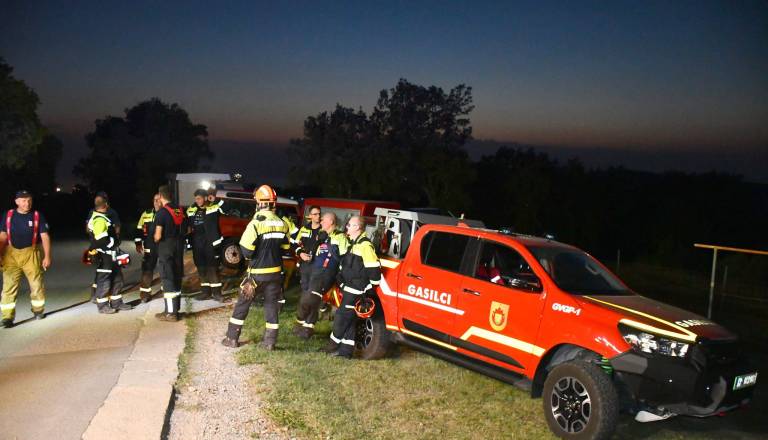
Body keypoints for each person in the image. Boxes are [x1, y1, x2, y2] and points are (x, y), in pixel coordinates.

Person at [222, 184, 290, 350]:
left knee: (242, 305)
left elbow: (246, 251)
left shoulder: (255, 224)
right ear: (273, 203)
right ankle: (270, 343)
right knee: (271, 307)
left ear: (259, 203)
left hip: (256, 276)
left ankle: (232, 338)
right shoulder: (283, 223)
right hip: (275, 275)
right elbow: (286, 248)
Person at [323, 215, 381, 359]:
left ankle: (332, 346)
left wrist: (368, 290)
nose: (347, 227)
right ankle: (345, 352)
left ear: (357, 227)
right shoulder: (354, 243)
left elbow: (374, 270)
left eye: (349, 225)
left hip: (356, 290)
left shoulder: (365, 246)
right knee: (349, 321)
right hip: (349, 287)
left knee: (341, 318)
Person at [0, 190, 52, 327]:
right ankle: (7, 318)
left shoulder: (37, 215)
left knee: (36, 284)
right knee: (8, 286)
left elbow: (45, 236)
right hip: (10, 254)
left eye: (29, 200)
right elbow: (3, 236)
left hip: (31, 253)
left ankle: (38, 310)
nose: (27, 203)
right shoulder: (8, 215)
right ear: (16, 201)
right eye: (23, 200)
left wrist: (47, 256)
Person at [294, 212, 348, 339]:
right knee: (312, 298)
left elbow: (345, 257)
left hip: (325, 274)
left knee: (309, 299)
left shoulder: (340, 237)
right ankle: (307, 328)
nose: (321, 222)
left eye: (324, 220)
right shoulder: (322, 236)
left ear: (331, 222)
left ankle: (300, 322)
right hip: (315, 272)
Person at [87, 197, 132, 314]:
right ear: (105, 205)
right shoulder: (99, 220)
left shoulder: (100, 218)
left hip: (110, 255)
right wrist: (114, 242)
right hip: (105, 256)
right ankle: (102, 306)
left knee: (118, 279)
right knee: (104, 281)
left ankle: (117, 302)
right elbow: (101, 240)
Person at [186, 189, 228, 302]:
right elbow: (187, 223)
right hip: (197, 243)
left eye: (199, 198)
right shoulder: (191, 209)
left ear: (205, 198)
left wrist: (216, 200)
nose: (197, 201)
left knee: (212, 268)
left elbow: (227, 210)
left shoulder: (214, 207)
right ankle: (205, 292)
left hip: (210, 242)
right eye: (196, 199)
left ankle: (217, 294)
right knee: (201, 268)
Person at [154, 187, 186, 321]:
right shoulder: (180, 210)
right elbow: (188, 229)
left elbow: (157, 235)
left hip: (166, 247)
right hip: (179, 246)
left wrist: (155, 239)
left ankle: (171, 314)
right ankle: (175, 309)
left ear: (161, 196)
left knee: (167, 278)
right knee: (176, 276)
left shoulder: (161, 213)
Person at [86, 191, 121, 303]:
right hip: (106, 249)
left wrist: (93, 238)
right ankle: (101, 301)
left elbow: (87, 228)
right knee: (105, 275)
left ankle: (98, 297)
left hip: (96, 247)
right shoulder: (105, 215)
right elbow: (116, 228)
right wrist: (115, 241)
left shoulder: (92, 213)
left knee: (103, 273)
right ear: (106, 203)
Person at [135, 193, 162, 303]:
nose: (156, 202)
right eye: (155, 200)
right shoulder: (146, 214)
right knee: (147, 270)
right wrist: (137, 243)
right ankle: (145, 294)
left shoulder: (165, 213)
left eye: (158, 200)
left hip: (162, 245)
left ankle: (165, 291)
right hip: (149, 246)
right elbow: (138, 229)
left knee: (165, 268)